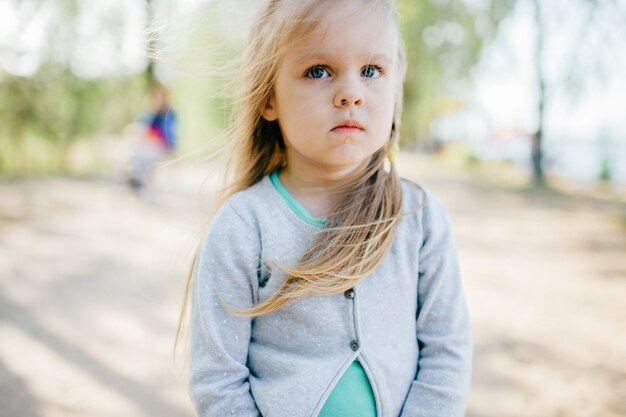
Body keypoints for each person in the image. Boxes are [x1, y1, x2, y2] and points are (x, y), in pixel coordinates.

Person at [177, 1, 472, 416]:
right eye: (319, 71)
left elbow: (447, 351)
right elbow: (217, 378)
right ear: (269, 98)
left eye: (372, 71)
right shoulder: (244, 226)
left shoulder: (419, 218)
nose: (351, 93)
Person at [125, 83, 177, 191]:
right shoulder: (150, 113)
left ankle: (139, 179)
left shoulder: (168, 114)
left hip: (163, 145)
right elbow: (140, 126)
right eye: (155, 96)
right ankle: (136, 178)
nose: (157, 99)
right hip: (149, 144)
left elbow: (169, 134)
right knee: (135, 145)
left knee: (143, 151)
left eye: (160, 96)